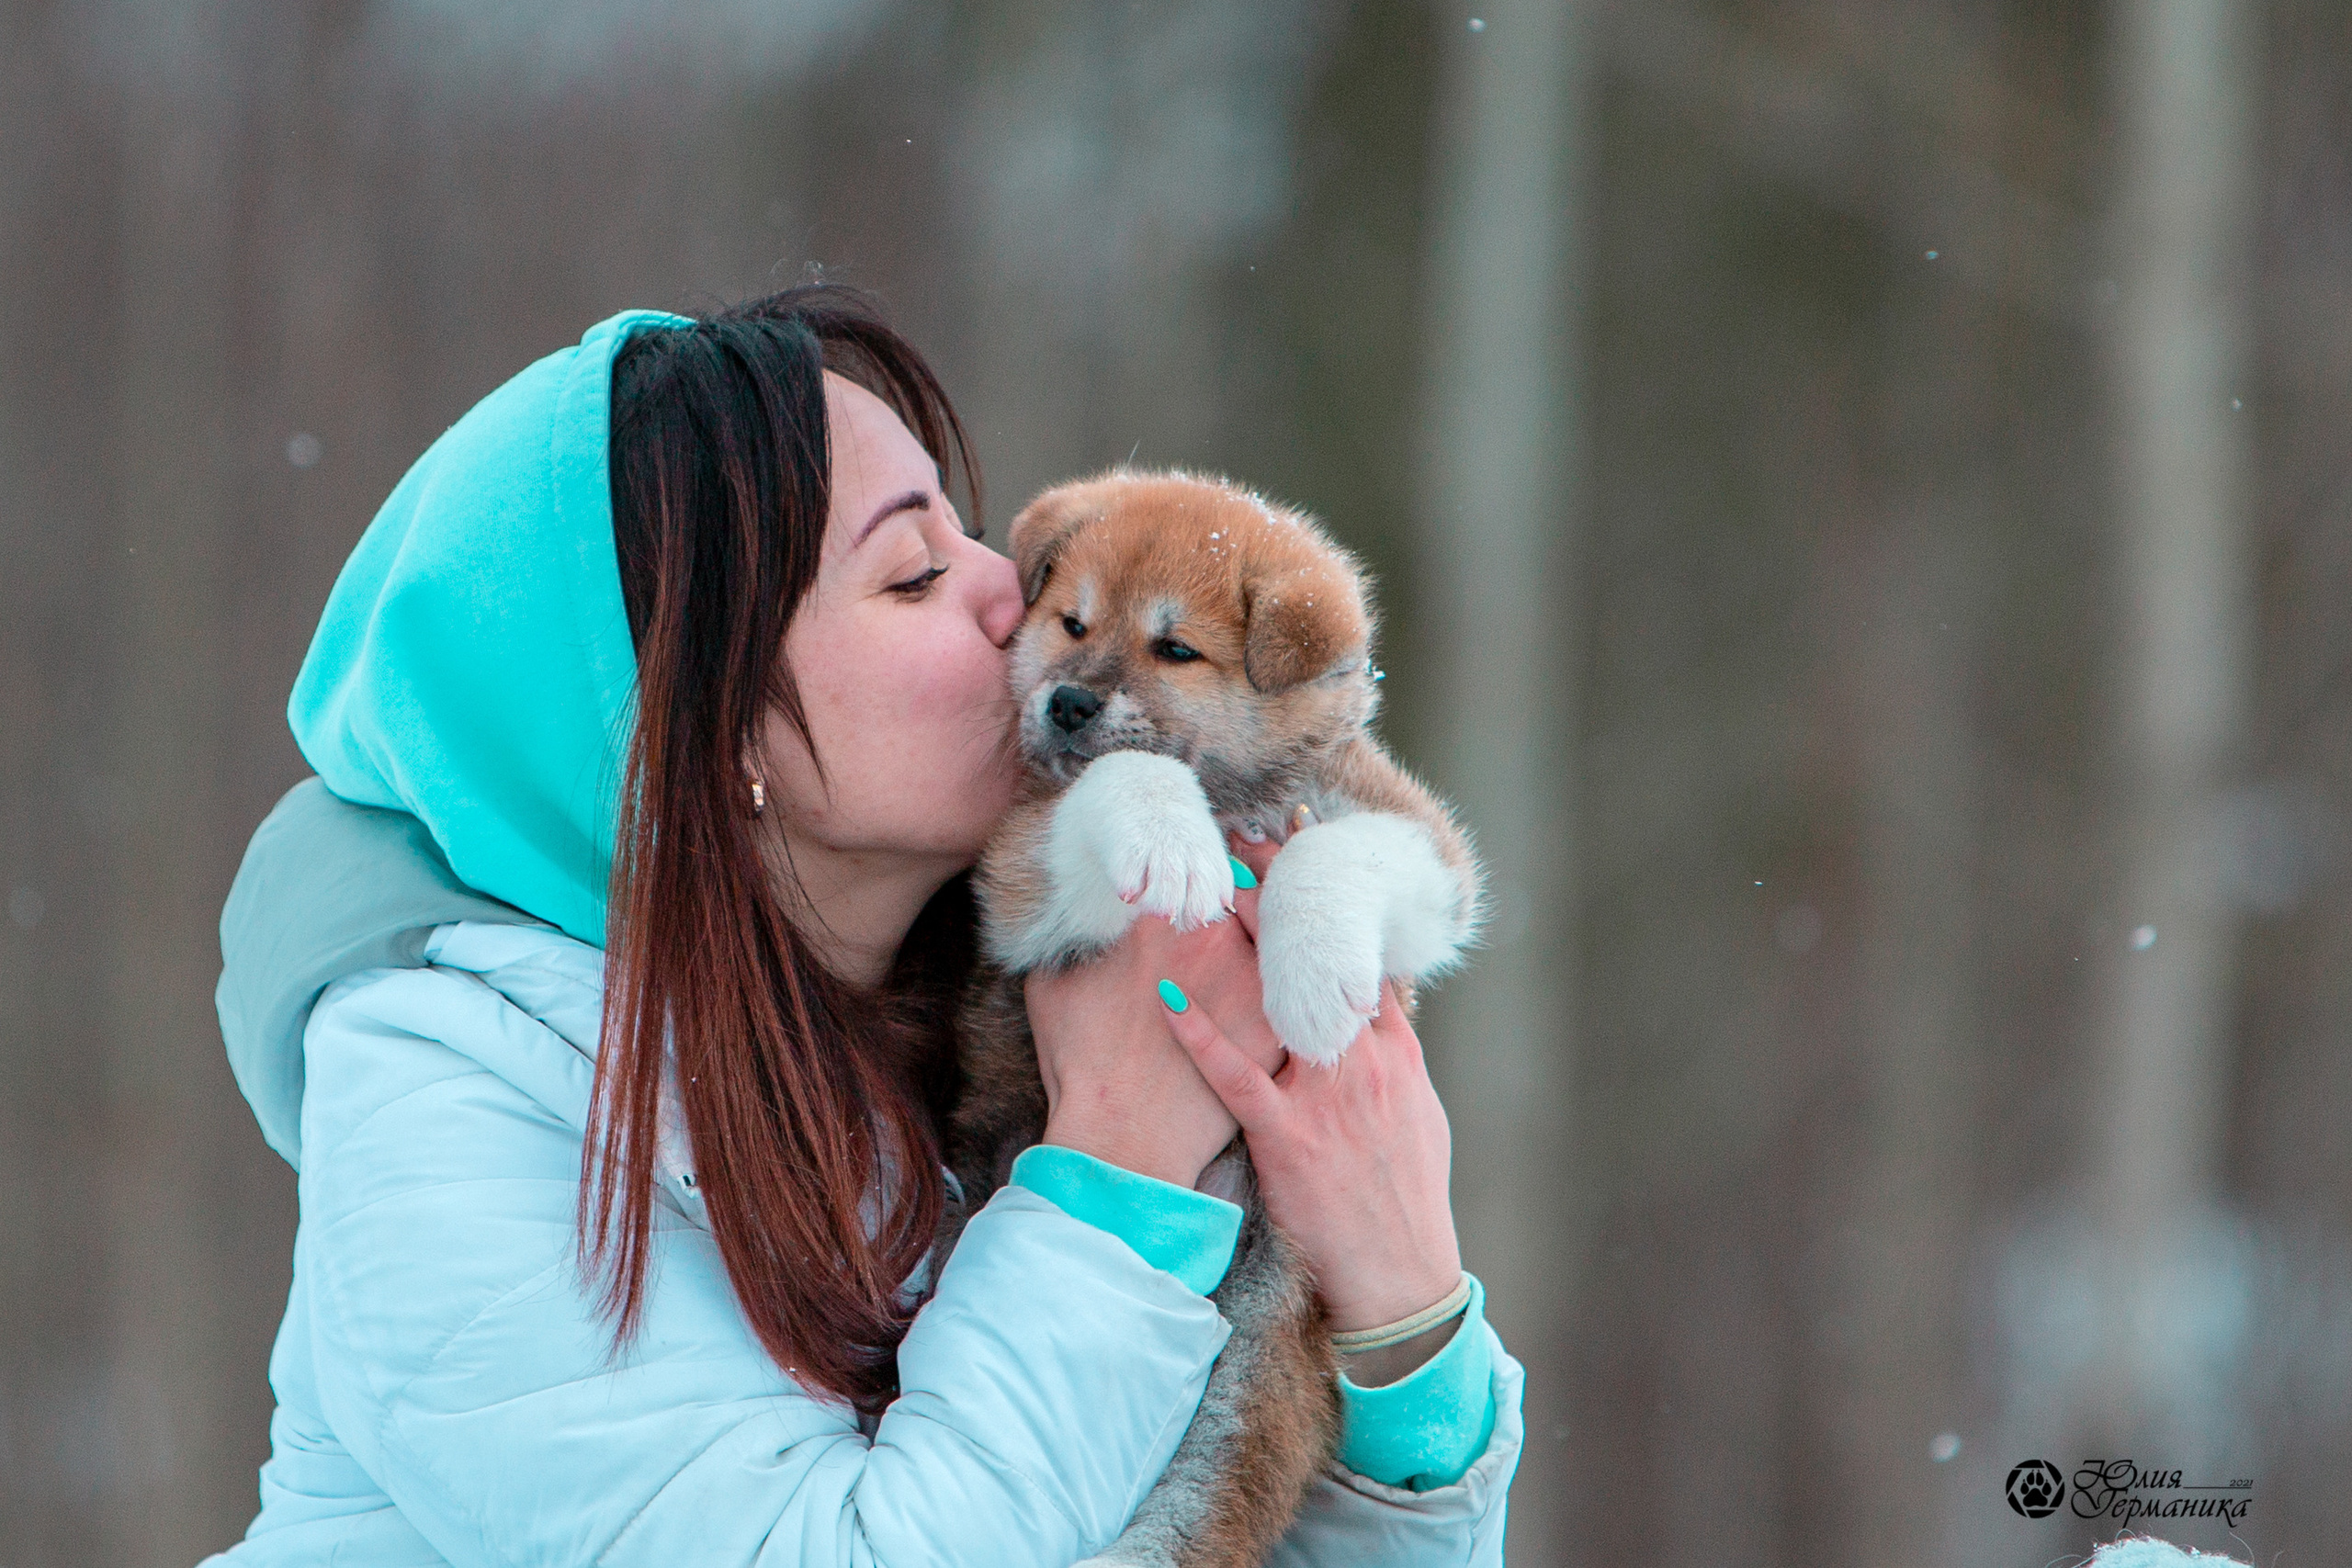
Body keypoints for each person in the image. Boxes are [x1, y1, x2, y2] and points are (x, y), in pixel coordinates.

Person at [205, 287, 1523, 1565]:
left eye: (969, 532)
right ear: (708, 743)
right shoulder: (446, 1117)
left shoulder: (965, 996)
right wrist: (1117, 1177)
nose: (1017, 591)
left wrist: (1403, 1330)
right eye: (913, 572)